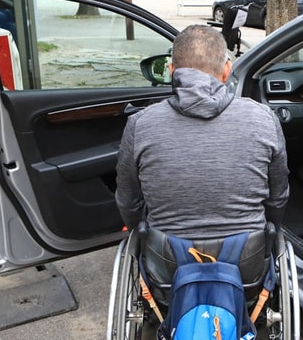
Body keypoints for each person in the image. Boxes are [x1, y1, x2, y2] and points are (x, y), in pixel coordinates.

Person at [116, 24, 289, 240]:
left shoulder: (140, 124)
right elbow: (278, 197)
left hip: (166, 261)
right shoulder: (264, 118)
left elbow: (128, 201)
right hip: (246, 260)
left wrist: (141, 236)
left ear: (172, 72)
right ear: (226, 70)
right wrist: (271, 233)